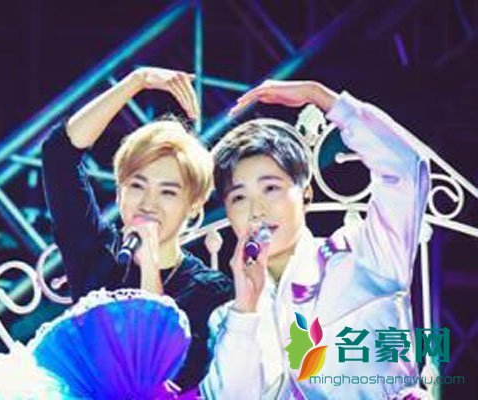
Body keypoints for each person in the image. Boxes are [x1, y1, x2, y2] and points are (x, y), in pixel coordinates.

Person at [200, 80, 430, 399]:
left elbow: (406, 169)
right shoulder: (230, 318)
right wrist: (246, 309)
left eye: (271, 188)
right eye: (239, 198)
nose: (256, 211)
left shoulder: (363, 254)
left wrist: (321, 97)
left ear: (305, 193)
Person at [41, 67, 234, 390]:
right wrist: (136, 81)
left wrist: (150, 269)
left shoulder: (209, 290)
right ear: (119, 193)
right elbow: (59, 154)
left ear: (193, 205)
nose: (148, 203)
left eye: (168, 192)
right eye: (137, 186)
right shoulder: (97, 255)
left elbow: (158, 379)